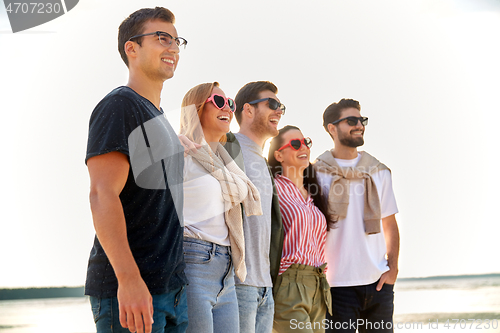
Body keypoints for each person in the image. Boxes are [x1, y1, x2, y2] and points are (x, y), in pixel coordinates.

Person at [85, 7, 189, 333]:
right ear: (132, 48)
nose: (172, 47)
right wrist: (128, 280)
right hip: (132, 290)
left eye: (176, 40)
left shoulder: (161, 120)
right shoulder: (120, 106)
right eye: (162, 38)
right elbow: (102, 195)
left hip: (173, 290)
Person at [179, 82, 263, 333]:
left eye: (230, 103)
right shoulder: (181, 153)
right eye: (217, 101)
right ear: (196, 110)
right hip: (194, 262)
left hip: (227, 270)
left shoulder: (227, 164)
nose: (226, 107)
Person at [313, 99, 400, 333]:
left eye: (362, 120)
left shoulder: (378, 172)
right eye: (351, 121)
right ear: (332, 128)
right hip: (336, 286)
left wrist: (392, 268)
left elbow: (389, 224)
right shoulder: (315, 173)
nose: (359, 125)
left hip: (378, 284)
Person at [223, 81, 285, 333]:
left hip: (264, 288)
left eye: (281, 106)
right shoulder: (227, 147)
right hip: (238, 285)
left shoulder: (261, 159)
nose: (279, 111)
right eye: (272, 104)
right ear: (247, 110)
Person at [268, 125, 333, 333]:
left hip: (318, 283)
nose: (303, 147)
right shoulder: (273, 188)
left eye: (306, 142)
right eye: (295, 144)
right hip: (289, 282)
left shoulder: (314, 193)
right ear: (279, 155)